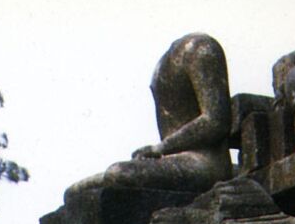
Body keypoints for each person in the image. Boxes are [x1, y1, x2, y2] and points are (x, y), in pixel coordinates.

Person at [66, 33, 233, 202]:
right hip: (176, 160)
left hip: (205, 163)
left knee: (117, 173)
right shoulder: (163, 64)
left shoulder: (200, 47)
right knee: (74, 192)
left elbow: (216, 122)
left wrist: (159, 149)